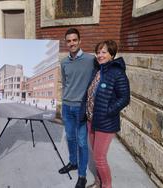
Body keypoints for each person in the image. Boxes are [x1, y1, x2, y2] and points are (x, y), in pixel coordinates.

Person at [86, 40, 130, 188]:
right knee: (95, 154)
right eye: (98, 52)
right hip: (92, 120)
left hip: (105, 122)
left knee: (99, 157)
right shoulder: (98, 70)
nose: (100, 55)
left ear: (112, 54)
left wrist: (108, 111)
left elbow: (124, 98)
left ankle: (107, 185)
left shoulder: (117, 72)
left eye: (104, 52)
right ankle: (99, 182)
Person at [59, 28, 95, 188]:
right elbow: (65, 83)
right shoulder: (64, 62)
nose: (72, 43)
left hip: (81, 109)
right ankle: (73, 162)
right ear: (66, 43)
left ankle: (82, 175)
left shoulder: (90, 60)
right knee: (70, 138)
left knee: (81, 142)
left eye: (74, 40)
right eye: (69, 41)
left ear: (79, 41)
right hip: (67, 106)